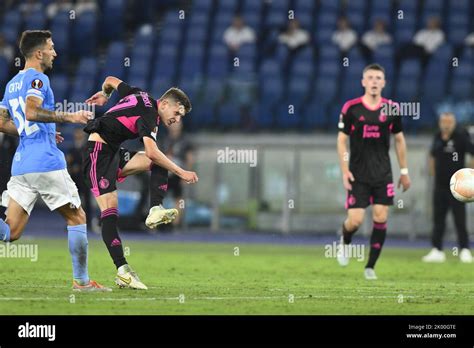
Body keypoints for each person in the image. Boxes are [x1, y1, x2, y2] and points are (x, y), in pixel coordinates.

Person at [0, 30, 108, 291]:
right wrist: (69, 118)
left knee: (10, 232)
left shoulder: (12, 82)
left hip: (22, 164)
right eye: (51, 47)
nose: (54, 52)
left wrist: (37, 130)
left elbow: (2, 122)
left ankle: (82, 282)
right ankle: (82, 282)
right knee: (78, 217)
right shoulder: (39, 79)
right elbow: (32, 111)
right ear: (39, 53)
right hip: (44, 161)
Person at [83, 76, 199, 290]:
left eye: (180, 116)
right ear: (164, 104)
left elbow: (109, 79)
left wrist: (105, 94)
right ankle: (123, 271)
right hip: (98, 154)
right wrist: (181, 171)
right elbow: (153, 151)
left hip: (113, 152)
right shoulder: (149, 114)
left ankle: (155, 207)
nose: (177, 119)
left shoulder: (140, 94)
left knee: (157, 162)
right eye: (176, 113)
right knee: (110, 212)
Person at [336, 63, 411, 280]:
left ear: (384, 83)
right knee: (356, 220)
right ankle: (345, 240)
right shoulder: (351, 108)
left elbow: (399, 139)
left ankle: (370, 267)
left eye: (378, 78)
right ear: (363, 82)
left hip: (382, 174)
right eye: (370, 77)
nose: (374, 81)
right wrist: (344, 170)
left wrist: (404, 171)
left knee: (380, 215)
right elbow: (342, 141)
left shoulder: (391, 109)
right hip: (357, 174)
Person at [423, 112, 474, 263]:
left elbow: (472, 153)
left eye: (449, 121)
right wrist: (432, 173)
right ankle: (437, 250)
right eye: (443, 121)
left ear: (454, 122)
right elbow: (432, 155)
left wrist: (469, 175)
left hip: (457, 186)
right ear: (440, 123)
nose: (446, 124)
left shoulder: (461, 136)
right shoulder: (437, 136)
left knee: (460, 219)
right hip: (440, 185)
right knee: (438, 219)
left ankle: (464, 250)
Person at [158, 121, 196, 229]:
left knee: (178, 198)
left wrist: (186, 173)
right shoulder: (164, 140)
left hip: (178, 173)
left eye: (177, 123)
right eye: (173, 123)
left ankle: (175, 223)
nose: (175, 126)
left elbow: (190, 158)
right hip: (164, 173)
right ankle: (161, 223)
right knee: (159, 197)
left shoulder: (185, 141)